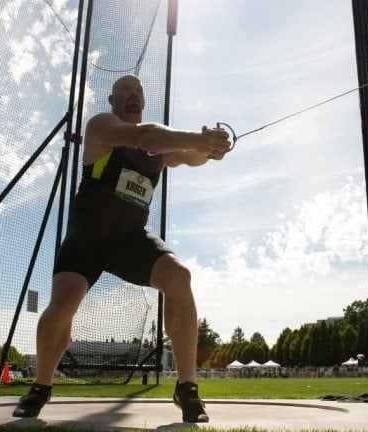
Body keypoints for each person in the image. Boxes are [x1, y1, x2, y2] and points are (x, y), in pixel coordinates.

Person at [13, 75, 232, 422]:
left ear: (143, 102)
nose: (134, 95)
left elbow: (190, 157)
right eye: (126, 91)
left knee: (179, 276)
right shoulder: (102, 125)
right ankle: (41, 386)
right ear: (113, 99)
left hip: (130, 238)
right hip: (89, 234)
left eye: (139, 92)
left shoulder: (159, 150)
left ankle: (186, 388)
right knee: (65, 300)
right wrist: (199, 139)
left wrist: (210, 149)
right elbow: (143, 135)